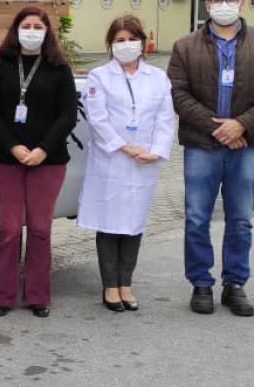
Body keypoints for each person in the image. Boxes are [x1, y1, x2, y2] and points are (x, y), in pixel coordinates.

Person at [168, 0, 254, 317]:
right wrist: (217, 127)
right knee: (196, 218)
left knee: (241, 219)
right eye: (217, 0)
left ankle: (235, 284)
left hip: (245, 146)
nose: (224, 5)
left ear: (242, 3)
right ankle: (201, 283)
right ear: (207, 5)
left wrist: (241, 124)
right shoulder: (185, 46)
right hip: (201, 145)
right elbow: (177, 93)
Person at [0, 6, 77, 318]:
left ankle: (37, 295)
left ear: (47, 32)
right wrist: (13, 146)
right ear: (16, 30)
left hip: (48, 161)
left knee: (39, 228)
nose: (32, 31)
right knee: (9, 228)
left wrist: (43, 149)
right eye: (27, 26)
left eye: (39, 26)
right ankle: (2, 295)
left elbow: (68, 116)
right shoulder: (3, 66)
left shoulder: (59, 68)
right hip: (9, 159)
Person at [77, 16, 174, 312]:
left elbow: (165, 119)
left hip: (144, 161)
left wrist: (156, 151)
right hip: (112, 159)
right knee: (109, 222)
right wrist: (124, 146)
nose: (126, 45)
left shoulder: (158, 78)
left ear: (142, 42)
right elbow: (98, 119)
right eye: (120, 40)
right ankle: (110, 285)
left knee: (134, 222)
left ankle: (126, 283)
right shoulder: (99, 76)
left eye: (132, 39)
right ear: (110, 45)